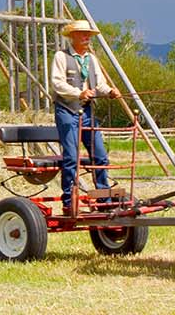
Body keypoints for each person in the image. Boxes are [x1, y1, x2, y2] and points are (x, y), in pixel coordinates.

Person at [51, 19, 123, 211]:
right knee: (71, 157)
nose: (87, 38)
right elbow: (57, 83)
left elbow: (98, 84)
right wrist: (78, 93)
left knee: (100, 155)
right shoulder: (61, 56)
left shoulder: (92, 59)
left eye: (88, 35)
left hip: (87, 111)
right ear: (72, 36)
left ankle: (104, 198)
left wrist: (109, 91)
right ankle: (69, 200)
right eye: (83, 34)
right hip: (67, 110)